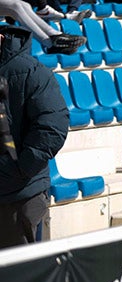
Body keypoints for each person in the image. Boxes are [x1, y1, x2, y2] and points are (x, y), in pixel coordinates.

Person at [0, 24, 69, 248]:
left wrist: (18, 169)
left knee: (20, 277)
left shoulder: (32, 72)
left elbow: (52, 127)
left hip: (19, 197)